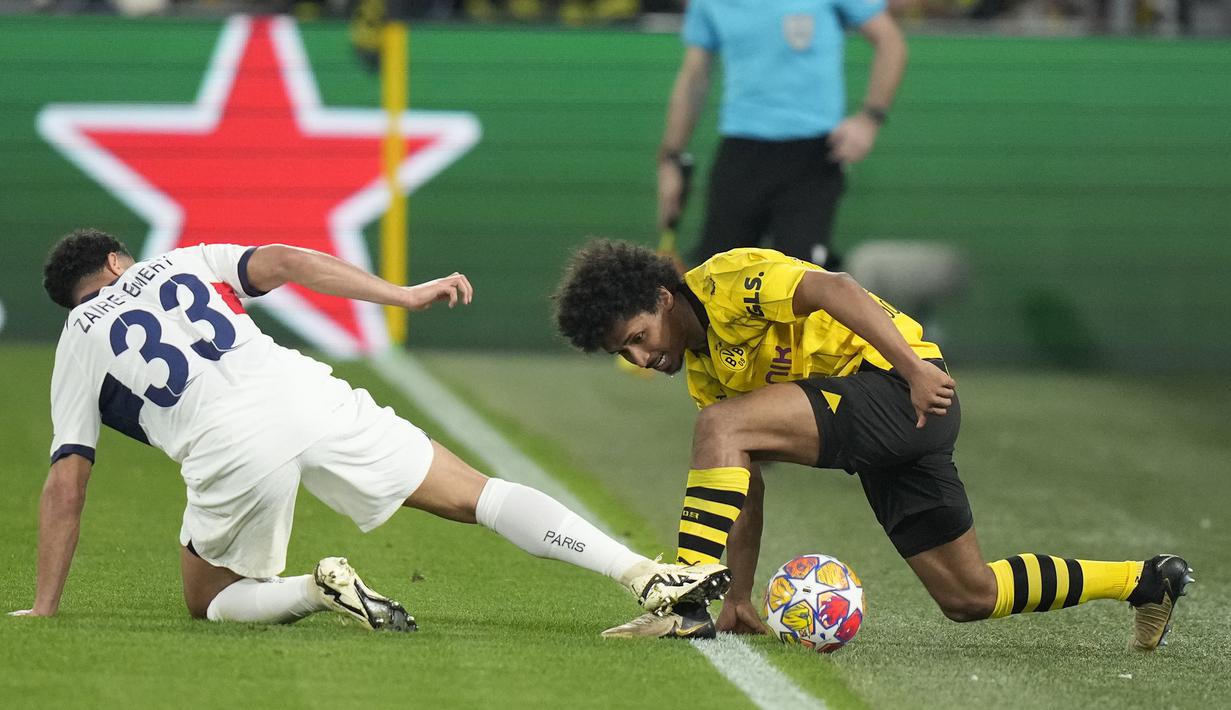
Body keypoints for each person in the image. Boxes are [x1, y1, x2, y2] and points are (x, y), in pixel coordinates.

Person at [9, 229, 731, 634]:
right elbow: (288, 261)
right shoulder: (184, 261)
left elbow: (68, 474)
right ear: (117, 259)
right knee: (477, 493)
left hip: (227, 444)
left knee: (209, 599)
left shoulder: (78, 334)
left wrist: (46, 604)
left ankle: (316, 589)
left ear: (92, 281)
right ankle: (637, 570)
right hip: (303, 391)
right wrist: (401, 293)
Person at [552, 239, 1193, 648]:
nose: (641, 356)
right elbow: (741, 482)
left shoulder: (726, 281)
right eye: (625, 352)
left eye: (639, 335)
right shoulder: (705, 368)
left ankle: (684, 598)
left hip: (900, 387)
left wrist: (914, 369)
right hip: (885, 423)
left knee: (720, 426)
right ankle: (1146, 580)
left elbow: (837, 289)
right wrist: (741, 596)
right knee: (969, 596)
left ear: (665, 297)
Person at [656, 0, 908, 269]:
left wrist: (870, 119)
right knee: (719, 280)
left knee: (802, 283)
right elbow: (694, 76)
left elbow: (890, 41)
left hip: (812, 155)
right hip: (740, 153)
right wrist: (671, 158)